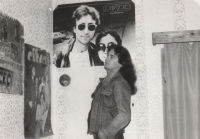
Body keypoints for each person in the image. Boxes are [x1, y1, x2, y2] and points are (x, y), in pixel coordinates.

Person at [88, 45, 137, 139]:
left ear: (121, 63)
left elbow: (125, 115)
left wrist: (105, 132)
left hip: (111, 136)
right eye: (107, 55)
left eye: (112, 56)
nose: (107, 58)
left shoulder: (119, 83)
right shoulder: (103, 83)